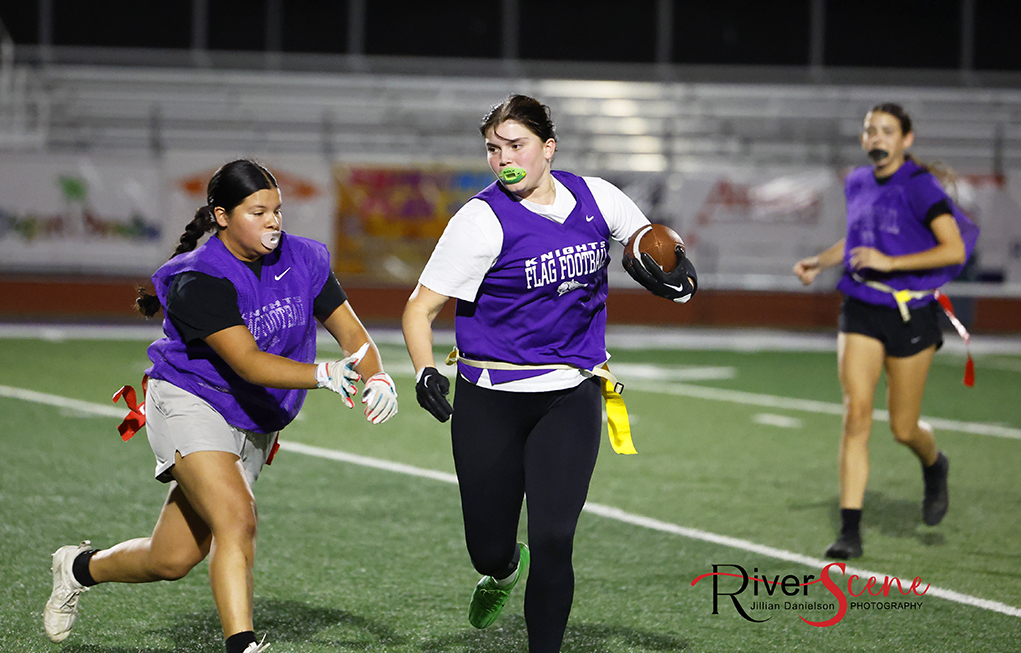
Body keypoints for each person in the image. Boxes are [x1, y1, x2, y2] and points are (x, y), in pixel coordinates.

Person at [43, 159, 398, 653]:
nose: (274, 221)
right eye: (258, 211)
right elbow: (248, 362)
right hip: (192, 399)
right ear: (223, 216)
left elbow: (353, 334)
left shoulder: (305, 258)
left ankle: (79, 568)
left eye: (277, 210)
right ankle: (241, 646)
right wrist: (322, 374)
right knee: (237, 518)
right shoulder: (199, 279)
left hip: (253, 417)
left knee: (171, 559)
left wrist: (376, 372)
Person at [402, 94, 696, 653]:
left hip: (571, 392)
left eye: (516, 145)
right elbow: (419, 310)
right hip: (491, 398)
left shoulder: (597, 197)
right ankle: (504, 569)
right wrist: (423, 372)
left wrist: (668, 265)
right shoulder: (480, 220)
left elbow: (646, 241)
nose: (503, 158)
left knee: (555, 538)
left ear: (548, 148)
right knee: (488, 548)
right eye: (493, 148)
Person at [794, 103, 978, 560]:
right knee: (856, 414)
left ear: (906, 140)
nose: (877, 138)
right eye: (870, 131)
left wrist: (892, 262)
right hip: (861, 306)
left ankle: (935, 465)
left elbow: (953, 248)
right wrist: (821, 260)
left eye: (887, 131)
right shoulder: (856, 181)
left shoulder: (920, 187)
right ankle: (849, 530)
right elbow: (859, 239)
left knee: (902, 428)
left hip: (911, 313)